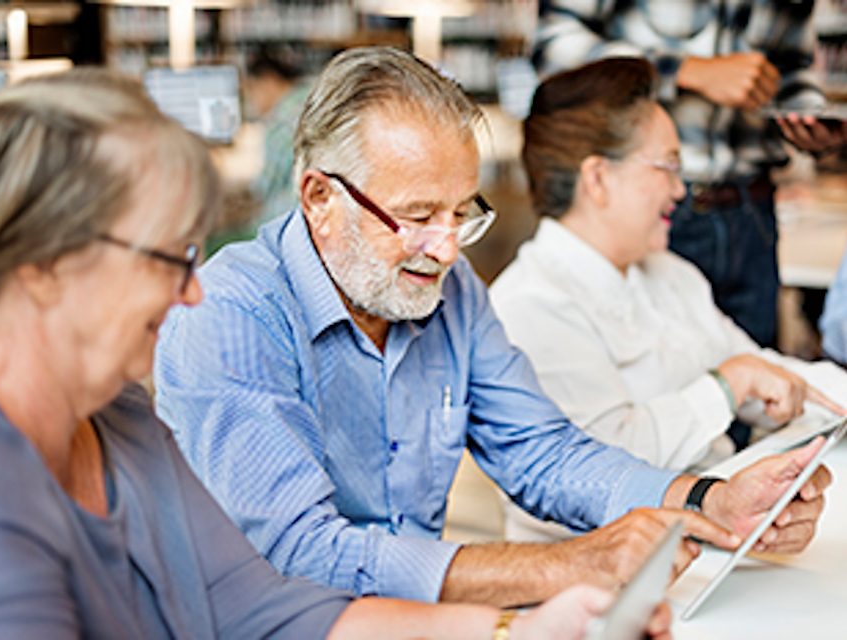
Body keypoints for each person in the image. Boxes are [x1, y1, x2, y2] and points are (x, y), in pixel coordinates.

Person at [0, 67, 667, 640]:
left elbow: (264, 606)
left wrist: (521, 630)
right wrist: (549, 579)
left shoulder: (127, 427)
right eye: (166, 259)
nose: (190, 294)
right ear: (44, 267)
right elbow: (297, 561)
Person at [154, 45, 831, 610]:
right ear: (320, 198)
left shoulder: (446, 290)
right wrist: (559, 567)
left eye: (459, 213)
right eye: (417, 216)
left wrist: (710, 499)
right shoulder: (230, 311)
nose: (448, 250)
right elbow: (299, 552)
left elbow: (542, 451)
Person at [489, 57, 847, 541]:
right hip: (601, 574)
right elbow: (597, 470)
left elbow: (764, 373)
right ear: (597, 178)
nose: (681, 190)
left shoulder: (669, 274)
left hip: (707, 539)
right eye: (668, 167)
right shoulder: (530, 305)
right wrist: (725, 388)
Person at [533, 0, 847, 348]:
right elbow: (552, 45)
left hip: (752, 213)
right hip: (650, 211)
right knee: (652, 375)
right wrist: (687, 70)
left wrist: (806, 112)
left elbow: (790, 68)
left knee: (760, 381)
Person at [246, 49, 311, 225]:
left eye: (251, 88)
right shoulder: (313, 96)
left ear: (268, 81)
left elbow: (264, 187)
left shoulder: (282, 120)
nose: (250, 100)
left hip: (289, 222)